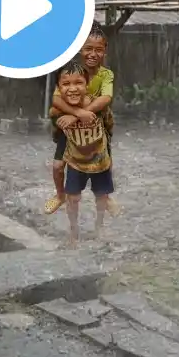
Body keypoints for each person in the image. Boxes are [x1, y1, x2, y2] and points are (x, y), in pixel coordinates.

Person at [43, 22, 119, 216]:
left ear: (105, 52)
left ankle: (106, 198)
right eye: (88, 49)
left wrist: (78, 114)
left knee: (104, 162)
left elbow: (106, 98)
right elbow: (55, 100)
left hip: (96, 128)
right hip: (68, 130)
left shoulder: (106, 75)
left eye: (98, 50)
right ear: (80, 50)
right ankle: (60, 195)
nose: (93, 54)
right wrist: (77, 114)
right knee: (58, 165)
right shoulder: (71, 71)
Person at [52, 59, 114, 248]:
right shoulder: (58, 109)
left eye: (78, 83)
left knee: (101, 195)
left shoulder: (97, 104)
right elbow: (53, 112)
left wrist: (77, 114)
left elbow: (109, 124)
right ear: (58, 88)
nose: (72, 89)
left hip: (99, 159)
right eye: (66, 84)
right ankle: (73, 231)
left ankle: (99, 226)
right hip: (76, 160)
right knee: (73, 197)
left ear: (87, 85)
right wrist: (73, 114)